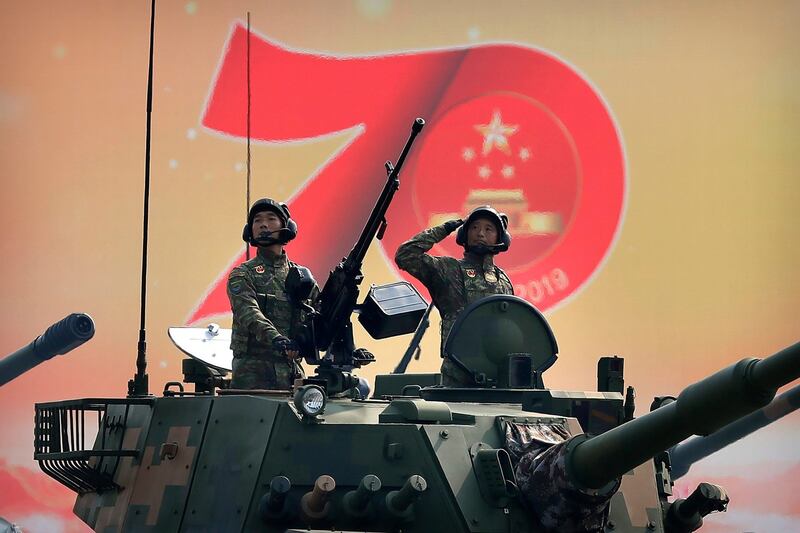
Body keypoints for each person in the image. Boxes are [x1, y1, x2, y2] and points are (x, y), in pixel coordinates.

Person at [395, 205, 514, 386]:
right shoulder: (449, 269)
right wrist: (447, 227)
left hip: (496, 372)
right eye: (474, 227)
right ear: (464, 234)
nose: (480, 233)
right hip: (458, 371)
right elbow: (405, 255)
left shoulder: (503, 280)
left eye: (488, 229)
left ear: (500, 238)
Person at [227, 198, 318, 390]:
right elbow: (249, 313)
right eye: (257, 220)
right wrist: (277, 339)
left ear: (286, 227)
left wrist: (347, 348)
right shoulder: (243, 274)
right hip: (252, 376)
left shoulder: (301, 277)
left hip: (292, 374)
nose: (263, 225)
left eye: (271, 219)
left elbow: (321, 315)